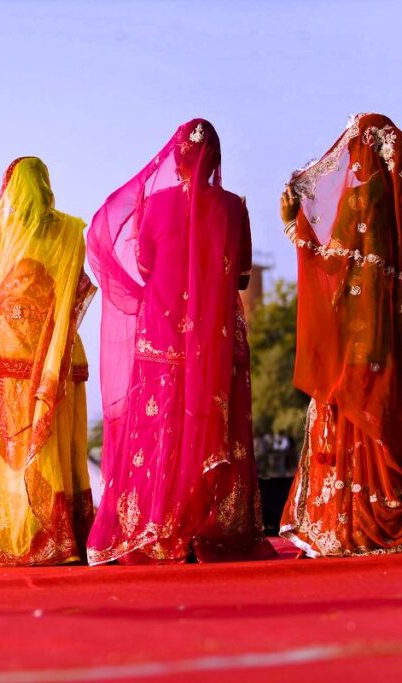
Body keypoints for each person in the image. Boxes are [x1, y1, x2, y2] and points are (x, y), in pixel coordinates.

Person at [85, 119, 275, 564]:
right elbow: (242, 275)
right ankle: (209, 528)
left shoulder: (154, 204)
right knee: (212, 424)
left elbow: (146, 268)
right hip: (216, 339)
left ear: (178, 157)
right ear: (215, 157)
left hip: (162, 330)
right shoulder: (233, 207)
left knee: (160, 426)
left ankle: (159, 526)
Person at [279, 113, 402, 556]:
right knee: (397, 423)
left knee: (351, 422)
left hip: (359, 343)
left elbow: (331, 261)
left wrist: (293, 225)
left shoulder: (361, 202)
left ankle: (353, 524)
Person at [0, 157, 96, 567]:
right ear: (47, 185)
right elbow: (70, 295)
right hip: (56, 355)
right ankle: (55, 538)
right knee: (51, 441)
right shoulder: (70, 231)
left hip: (5, 354)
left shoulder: (0, 232)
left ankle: (6, 535)